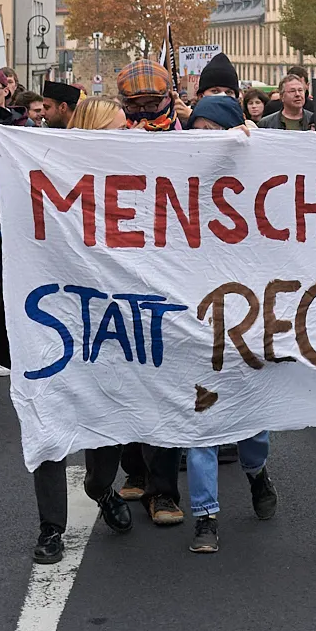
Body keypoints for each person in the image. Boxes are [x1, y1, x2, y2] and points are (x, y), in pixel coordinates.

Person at [0, 120, 133, 561]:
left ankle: (100, 488)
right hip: (38, 319)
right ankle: (51, 528)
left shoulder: (129, 179)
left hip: (101, 322)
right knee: (45, 418)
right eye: (113, 128)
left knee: (106, 415)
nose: (123, 133)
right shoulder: (34, 176)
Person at [179, 92, 279, 553]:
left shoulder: (255, 175)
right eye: (195, 131)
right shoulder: (176, 176)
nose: (202, 140)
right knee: (201, 420)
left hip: (246, 318)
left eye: (211, 131)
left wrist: (253, 143)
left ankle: (257, 472)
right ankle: (205, 517)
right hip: (193, 318)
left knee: (251, 421)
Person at [113, 59, 189, 522]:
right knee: (124, 383)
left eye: (151, 106)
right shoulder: (107, 141)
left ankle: (164, 490)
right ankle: (133, 471)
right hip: (120, 278)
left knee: (166, 386)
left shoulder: (190, 139)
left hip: (176, 279)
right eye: (134, 107)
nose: (143, 114)